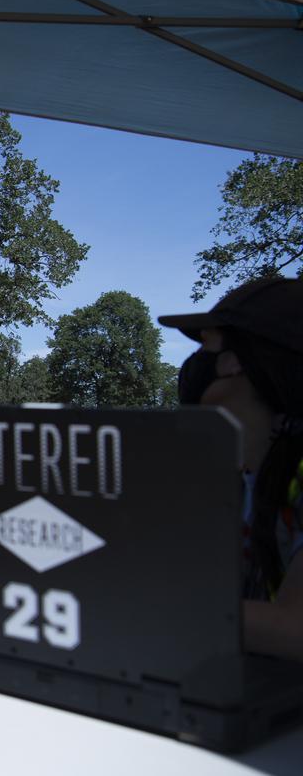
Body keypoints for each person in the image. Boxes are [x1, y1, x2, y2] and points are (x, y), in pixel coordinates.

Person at [159, 277, 303, 661]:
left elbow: (294, 628)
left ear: (239, 362)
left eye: (206, 344)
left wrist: (120, 599)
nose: (194, 366)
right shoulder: (248, 478)